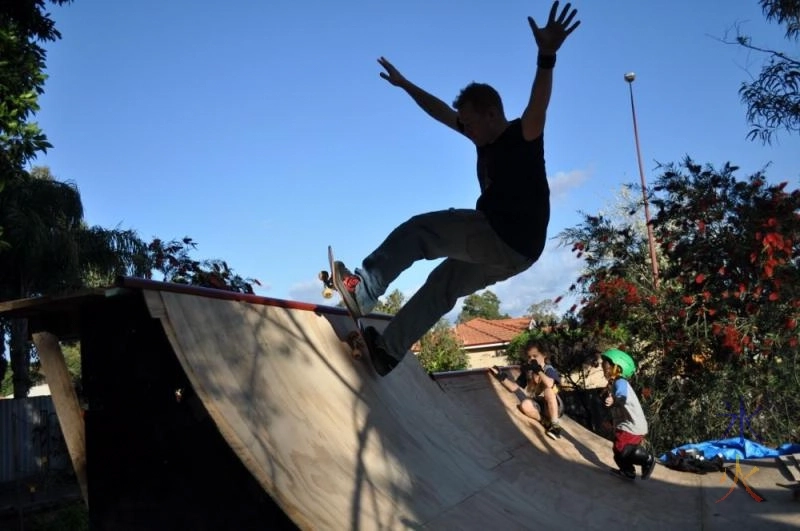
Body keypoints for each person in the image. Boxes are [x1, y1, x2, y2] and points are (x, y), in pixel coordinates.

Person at [332, 1, 581, 376]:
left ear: (492, 113)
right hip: (520, 254)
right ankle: (387, 352)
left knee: (421, 231)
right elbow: (438, 110)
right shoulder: (482, 135)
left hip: (502, 234)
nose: (467, 131)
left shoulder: (522, 134)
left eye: (471, 124)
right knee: (443, 285)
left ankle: (363, 289)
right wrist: (405, 85)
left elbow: (539, 104)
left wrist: (546, 56)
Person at [490, 338, 564, 439]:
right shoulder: (529, 372)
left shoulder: (548, 369)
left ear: (544, 355)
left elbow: (550, 383)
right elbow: (513, 388)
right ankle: (545, 421)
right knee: (524, 404)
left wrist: (538, 370)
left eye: (535, 356)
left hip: (554, 406)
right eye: (529, 357)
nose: (532, 359)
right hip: (539, 406)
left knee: (548, 391)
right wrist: (501, 376)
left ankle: (555, 425)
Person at [601, 348, 656, 480]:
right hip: (627, 425)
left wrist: (613, 399)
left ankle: (647, 459)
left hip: (633, 426)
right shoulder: (614, 384)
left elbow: (622, 397)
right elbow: (619, 408)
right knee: (618, 450)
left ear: (618, 368)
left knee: (622, 449)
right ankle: (628, 471)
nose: (603, 368)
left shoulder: (621, 382)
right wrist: (610, 420)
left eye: (606, 366)